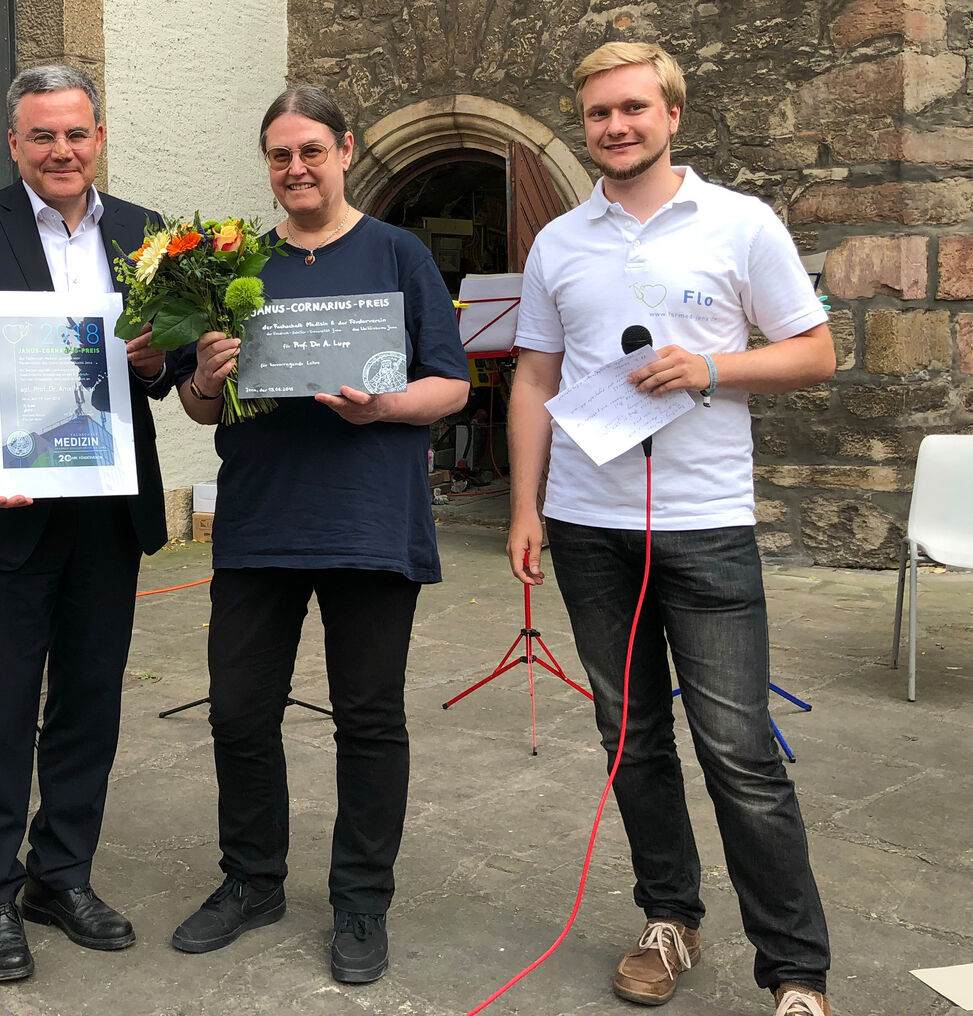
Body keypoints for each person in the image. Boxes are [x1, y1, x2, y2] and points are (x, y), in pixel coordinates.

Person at [506, 43, 836, 1016]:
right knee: (631, 737)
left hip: (705, 525)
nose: (616, 125)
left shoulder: (741, 222)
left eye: (633, 108)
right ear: (584, 121)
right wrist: (524, 506)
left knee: (738, 747)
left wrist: (710, 369)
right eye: (599, 111)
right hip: (585, 522)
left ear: (671, 114)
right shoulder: (560, 240)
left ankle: (796, 967)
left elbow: (814, 353)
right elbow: (533, 377)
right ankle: (670, 917)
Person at [169, 85, 469, 985]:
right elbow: (193, 402)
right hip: (259, 520)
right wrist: (208, 374)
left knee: (369, 719)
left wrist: (382, 406)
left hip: (367, 520)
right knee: (237, 713)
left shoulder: (397, 253)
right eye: (277, 155)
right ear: (266, 166)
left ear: (343, 151)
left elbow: (448, 386)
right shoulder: (234, 264)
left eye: (309, 151)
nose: (294, 169)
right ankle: (252, 880)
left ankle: (360, 900)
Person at [0, 64, 172, 982]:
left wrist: (152, 361)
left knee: (89, 703)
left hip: (106, 506)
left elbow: (165, 365)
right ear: (14, 142)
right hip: (10, 505)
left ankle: (60, 875)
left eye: (76, 134)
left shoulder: (143, 232)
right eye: (42, 136)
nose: (61, 151)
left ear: (97, 136)